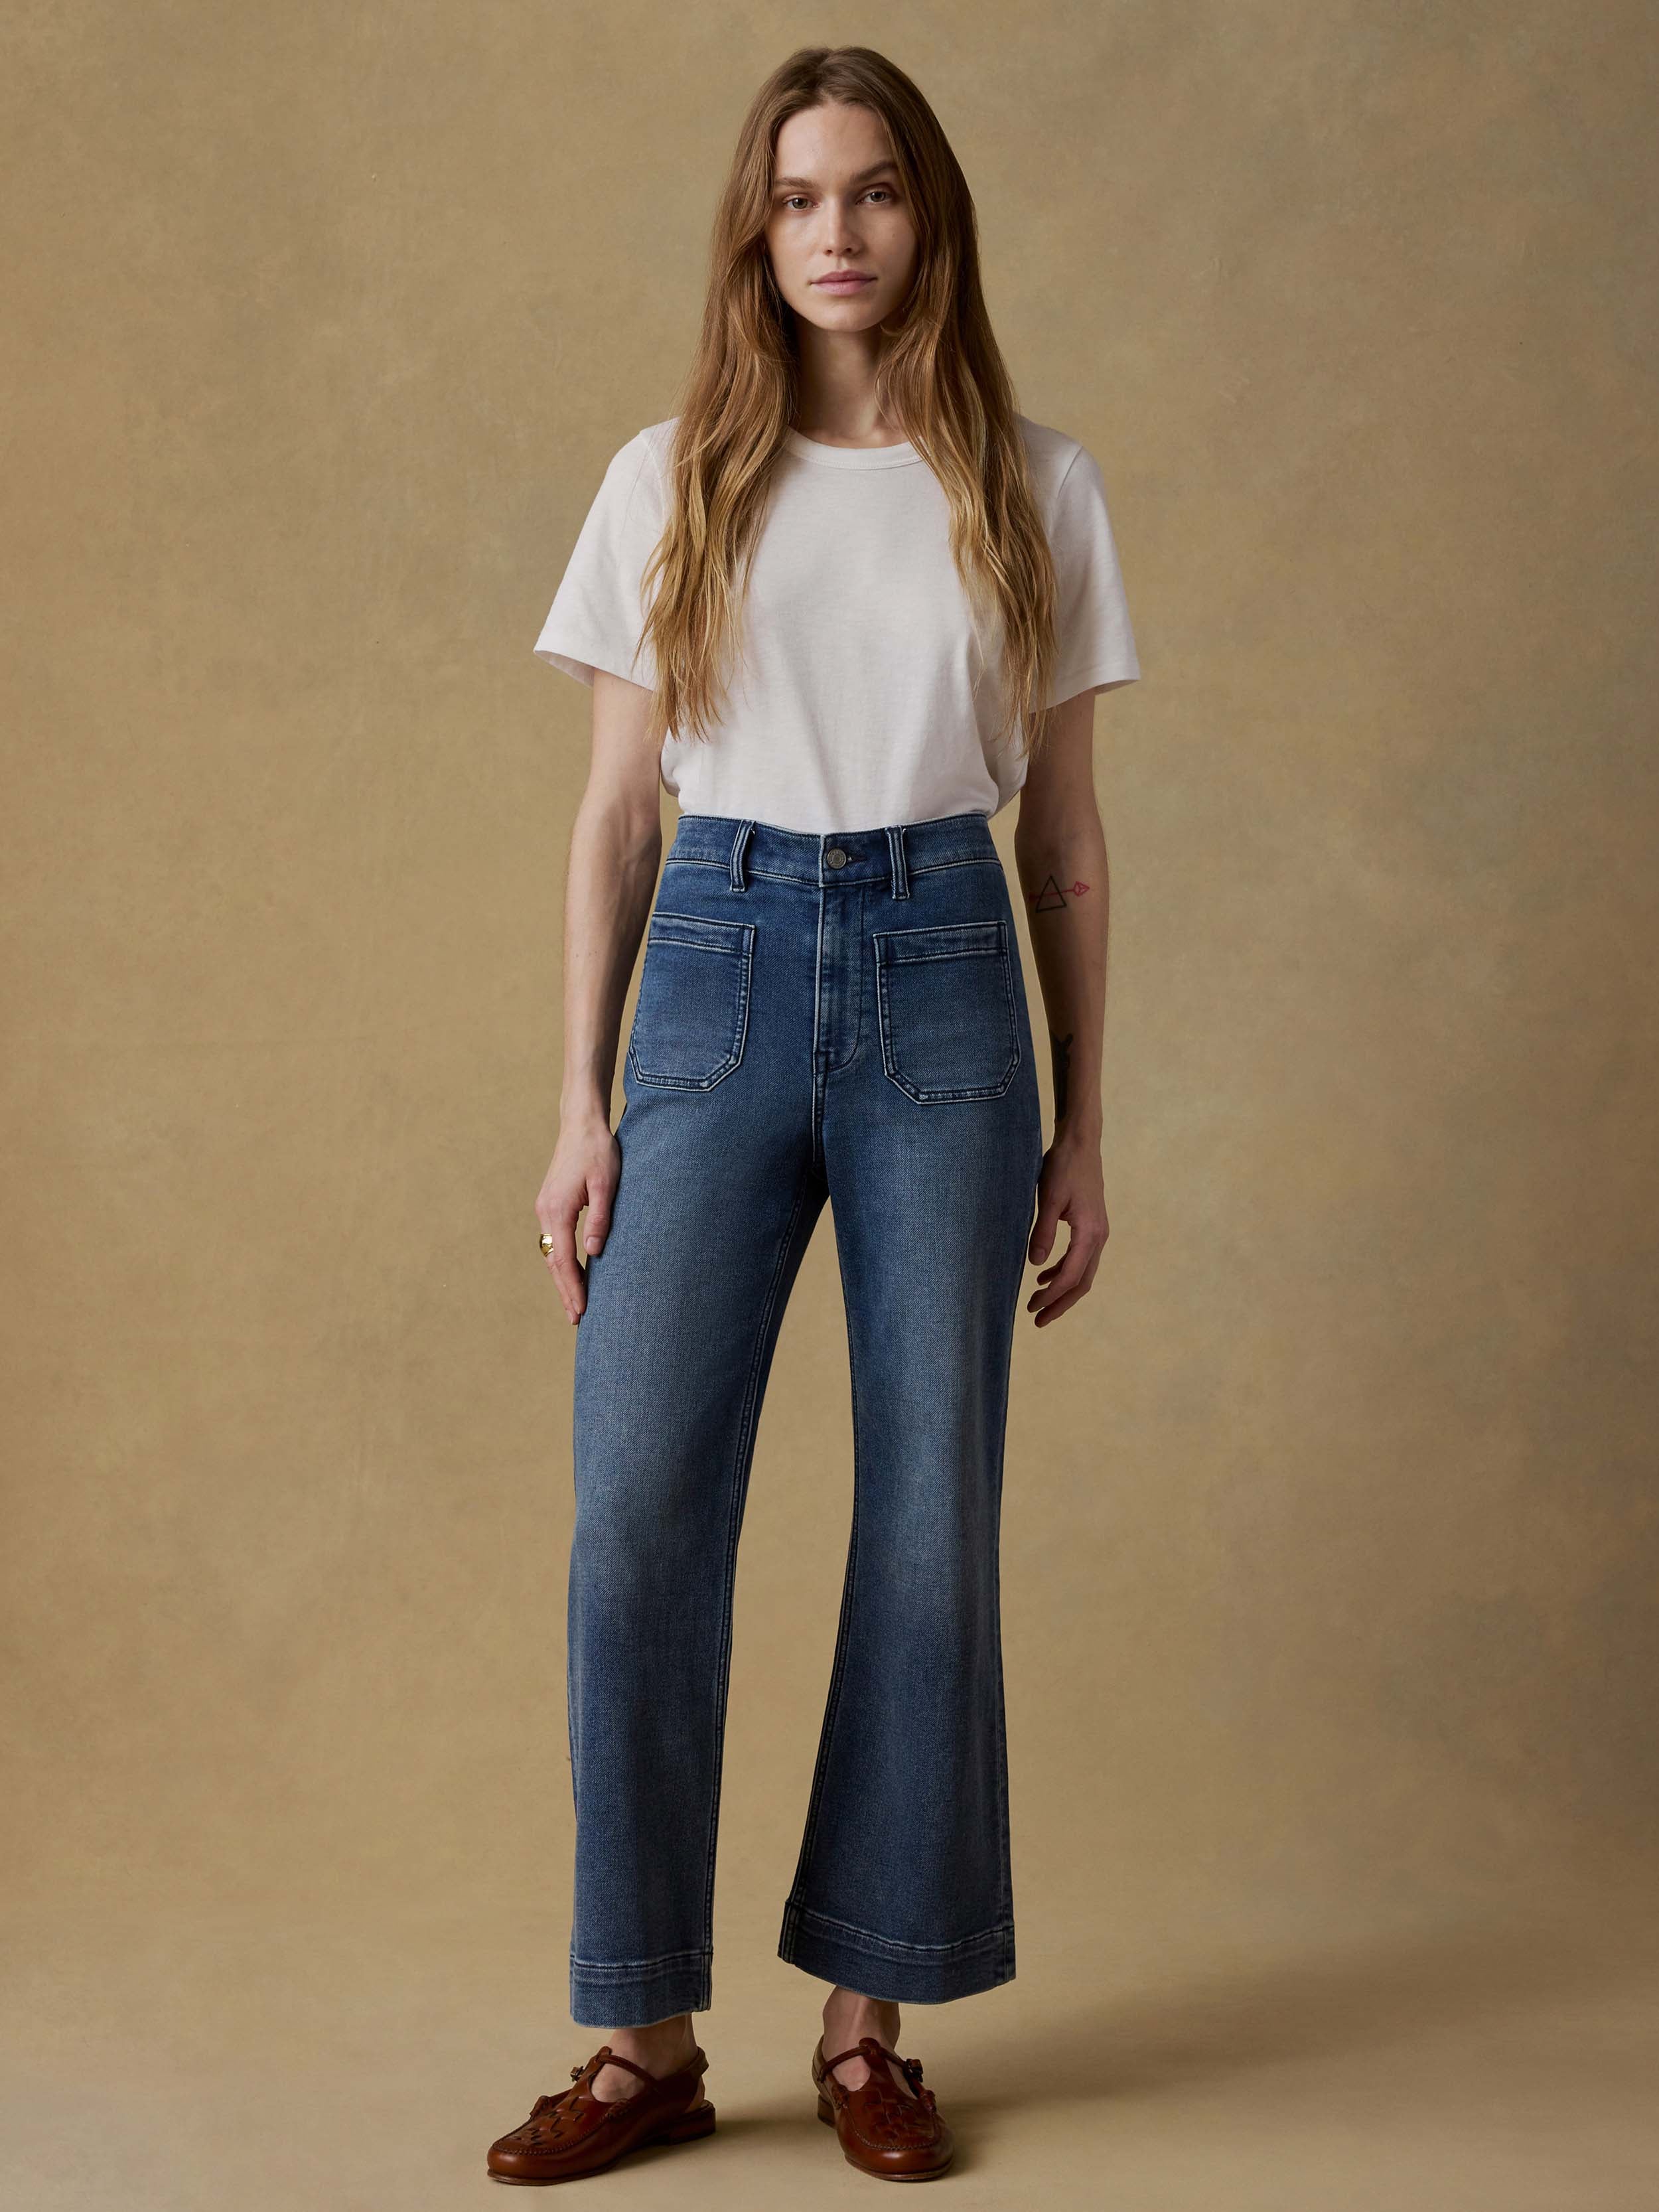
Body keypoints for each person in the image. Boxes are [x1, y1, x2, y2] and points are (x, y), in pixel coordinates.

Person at [486, 42, 1139, 2188]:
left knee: (931, 1514)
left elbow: (1064, 837)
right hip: (718, 969)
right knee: (639, 1518)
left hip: (949, 981)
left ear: (927, 218)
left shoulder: (1032, 483)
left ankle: (873, 2019)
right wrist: (579, 1104)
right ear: (753, 233)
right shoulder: (669, 473)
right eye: (797, 200)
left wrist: (1086, 1125)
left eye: (872, 193)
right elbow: (607, 820)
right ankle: (641, 2037)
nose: (837, 232)